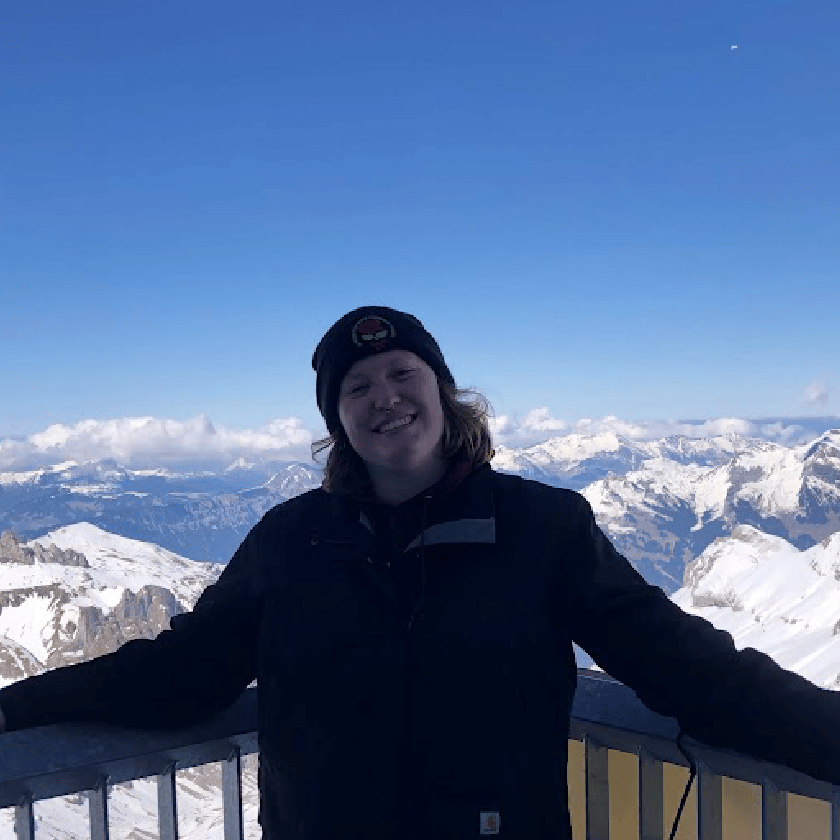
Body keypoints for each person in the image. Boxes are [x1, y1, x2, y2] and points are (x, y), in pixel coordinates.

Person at [2, 304, 840, 839]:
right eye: (357, 385)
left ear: (445, 393)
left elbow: (684, 664)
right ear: (338, 420)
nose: (385, 395)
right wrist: (15, 707)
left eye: (404, 373)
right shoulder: (289, 542)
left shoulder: (542, 529)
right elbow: (179, 676)